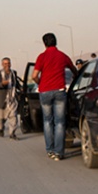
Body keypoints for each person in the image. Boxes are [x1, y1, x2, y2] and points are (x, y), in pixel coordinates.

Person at [32, 33, 77, 161]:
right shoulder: (62, 56)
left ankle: (50, 150)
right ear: (56, 42)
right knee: (60, 123)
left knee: (47, 121)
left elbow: (34, 75)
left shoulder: (41, 57)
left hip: (45, 92)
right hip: (59, 91)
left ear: (44, 43)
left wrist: (40, 83)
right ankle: (58, 152)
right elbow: (74, 70)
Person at [0, 57, 19, 140]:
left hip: (12, 100)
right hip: (1, 101)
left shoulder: (14, 73)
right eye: (5, 64)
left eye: (8, 63)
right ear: (2, 65)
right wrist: (2, 84)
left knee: (13, 116)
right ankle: (0, 129)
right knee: (1, 118)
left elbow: (16, 84)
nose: (7, 65)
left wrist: (21, 88)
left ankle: (12, 133)